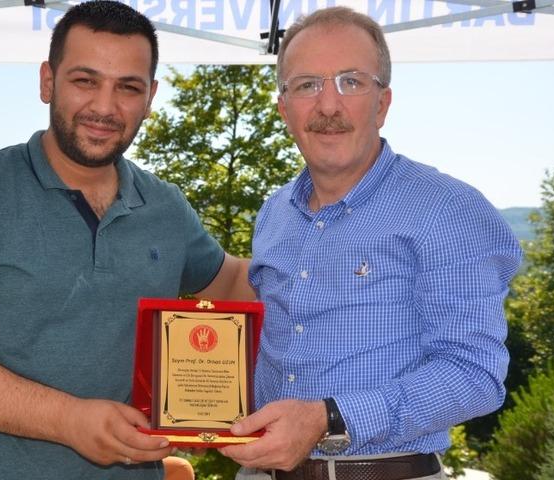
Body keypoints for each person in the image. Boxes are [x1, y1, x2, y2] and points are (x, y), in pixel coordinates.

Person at [0, 2, 253, 479]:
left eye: (127, 87)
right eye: (85, 81)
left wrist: (330, 258)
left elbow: (234, 281)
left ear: (149, 96)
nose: (104, 108)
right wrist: (69, 420)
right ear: (48, 81)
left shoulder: (165, 207)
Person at [219, 6, 523, 480]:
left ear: (382, 102)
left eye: (351, 82)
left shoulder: (447, 209)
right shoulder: (274, 214)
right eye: (306, 85)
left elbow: (475, 375)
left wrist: (331, 417)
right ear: (284, 108)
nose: (328, 106)